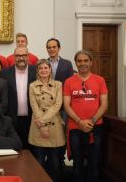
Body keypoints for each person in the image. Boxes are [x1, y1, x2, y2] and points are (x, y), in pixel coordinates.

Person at [64, 50, 108, 182]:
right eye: (79, 61)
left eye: (85, 61)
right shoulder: (69, 81)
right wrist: (79, 122)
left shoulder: (99, 80)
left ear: (91, 62)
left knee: (94, 164)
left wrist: (92, 122)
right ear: (76, 63)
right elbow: (66, 105)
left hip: (96, 128)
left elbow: (104, 104)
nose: (82, 63)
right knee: (77, 164)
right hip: (75, 128)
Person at [28, 59, 65, 182]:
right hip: (38, 127)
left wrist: (43, 121)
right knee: (38, 162)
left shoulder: (58, 84)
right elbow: (34, 106)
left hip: (54, 127)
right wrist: (42, 126)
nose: (43, 70)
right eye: (41, 68)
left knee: (55, 163)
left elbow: (57, 105)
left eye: (46, 68)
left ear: (50, 70)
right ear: (37, 71)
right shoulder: (32, 86)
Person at [0, 47, 36, 149]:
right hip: (11, 121)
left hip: (32, 120)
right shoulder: (4, 73)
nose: (21, 58)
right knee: (14, 151)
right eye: (18, 56)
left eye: (24, 55)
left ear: (28, 57)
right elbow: (2, 97)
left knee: (31, 152)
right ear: (14, 57)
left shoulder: (36, 71)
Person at [46, 37, 74, 167]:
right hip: (46, 106)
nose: (51, 49)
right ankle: (50, 159)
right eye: (49, 47)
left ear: (59, 48)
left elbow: (69, 85)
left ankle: (60, 159)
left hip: (62, 106)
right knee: (49, 132)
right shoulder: (43, 63)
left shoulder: (67, 64)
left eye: (54, 47)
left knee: (62, 132)